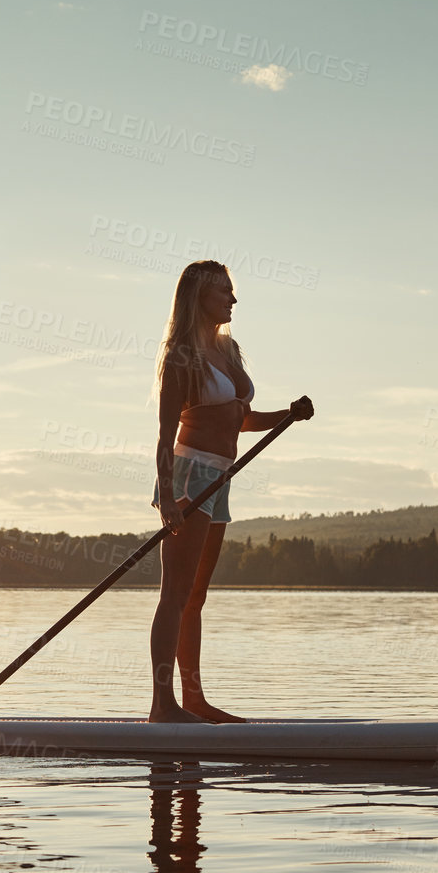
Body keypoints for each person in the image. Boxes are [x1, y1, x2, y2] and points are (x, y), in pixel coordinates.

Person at [149, 261, 313, 723]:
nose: (233, 300)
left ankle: (194, 701)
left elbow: (240, 419)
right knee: (175, 595)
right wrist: (168, 498)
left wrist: (287, 414)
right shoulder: (181, 356)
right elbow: (164, 435)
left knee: (196, 597)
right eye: (225, 292)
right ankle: (163, 707)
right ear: (199, 296)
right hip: (187, 478)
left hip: (220, 479)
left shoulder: (228, 349)